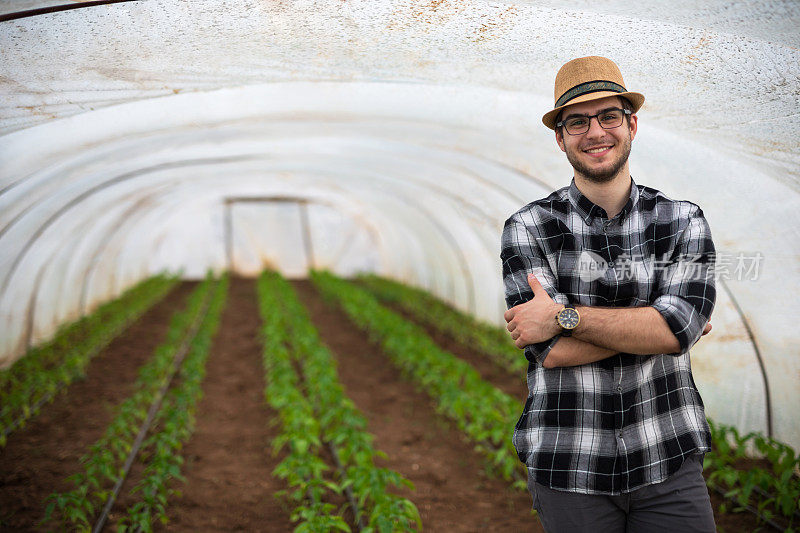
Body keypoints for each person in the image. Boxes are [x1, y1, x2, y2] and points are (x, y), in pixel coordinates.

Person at [500, 56, 717, 532]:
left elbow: (674, 329)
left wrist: (562, 315)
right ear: (560, 138)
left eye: (608, 116)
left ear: (631, 124)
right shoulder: (529, 228)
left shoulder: (682, 220)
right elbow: (550, 351)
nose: (594, 131)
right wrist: (657, 328)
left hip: (667, 455)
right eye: (576, 121)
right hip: (568, 460)